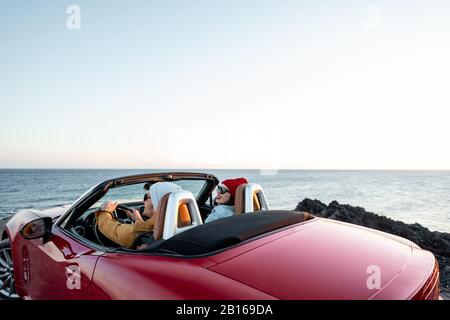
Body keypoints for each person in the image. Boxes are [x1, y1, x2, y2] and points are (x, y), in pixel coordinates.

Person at [95, 182, 182, 248]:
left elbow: (113, 230)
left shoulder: (138, 233)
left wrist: (105, 212)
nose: (143, 201)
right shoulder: (181, 223)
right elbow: (150, 227)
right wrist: (138, 220)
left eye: (146, 197)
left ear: (159, 203)